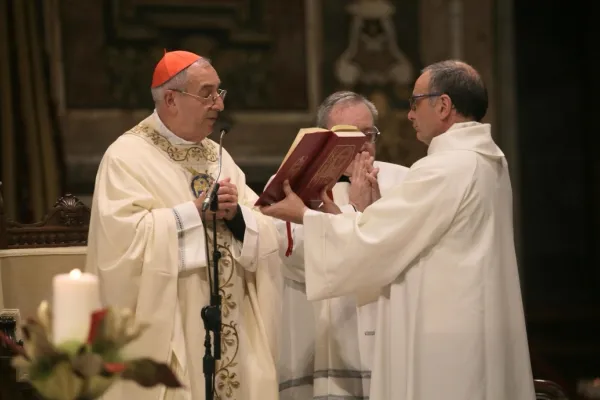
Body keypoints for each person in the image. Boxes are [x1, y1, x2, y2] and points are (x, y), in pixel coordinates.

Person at [260, 60, 535, 400]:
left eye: (415, 102)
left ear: (443, 105)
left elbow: (373, 243)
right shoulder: (489, 161)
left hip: (445, 338)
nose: (409, 115)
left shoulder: (444, 169)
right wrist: (335, 214)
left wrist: (303, 214)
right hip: (470, 324)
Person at [85, 50, 283, 400]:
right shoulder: (126, 157)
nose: (219, 104)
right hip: (175, 324)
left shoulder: (217, 155)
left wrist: (236, 216)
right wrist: (191, 214)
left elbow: (265, 227)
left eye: (219, 92)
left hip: (231, 329)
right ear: (171, 99)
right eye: (207, 94)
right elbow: (119, 246)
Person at [275, 91, 409, 399]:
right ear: (322, 140)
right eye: (348, 137)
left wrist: (367, 214)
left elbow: (400, 254)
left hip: (388, 338)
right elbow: (299, 260)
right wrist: (355, 213)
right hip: (325, 341)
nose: (361, 146)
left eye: (368, 135)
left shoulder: (405, 181)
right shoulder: (294, 190)